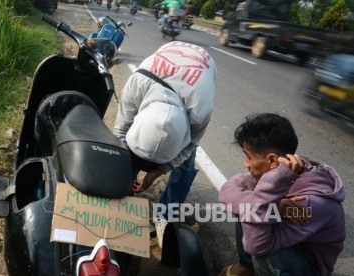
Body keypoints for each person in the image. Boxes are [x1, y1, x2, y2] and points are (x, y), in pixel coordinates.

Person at [113, 41, 216, 247]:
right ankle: (122, 199)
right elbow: (120, 133)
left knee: (186, 165)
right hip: (163, 62)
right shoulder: (136, 85)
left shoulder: (199, 112)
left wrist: (157, 172)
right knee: (122, 157)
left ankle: (165, 214)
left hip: (202, 66)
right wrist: (124, 173)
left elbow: (188, 147)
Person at [218, 113, 345, 276]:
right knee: (247, 206)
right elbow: (228, 190)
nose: (245, 163)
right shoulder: (281, 168)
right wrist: (275, 205)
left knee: (263, 250)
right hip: (286, 239)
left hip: (308, 261)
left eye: (248, 157)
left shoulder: (310, 202)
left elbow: (256, 245)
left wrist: (266, 200)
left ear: (272, 161)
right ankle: (247, 267)